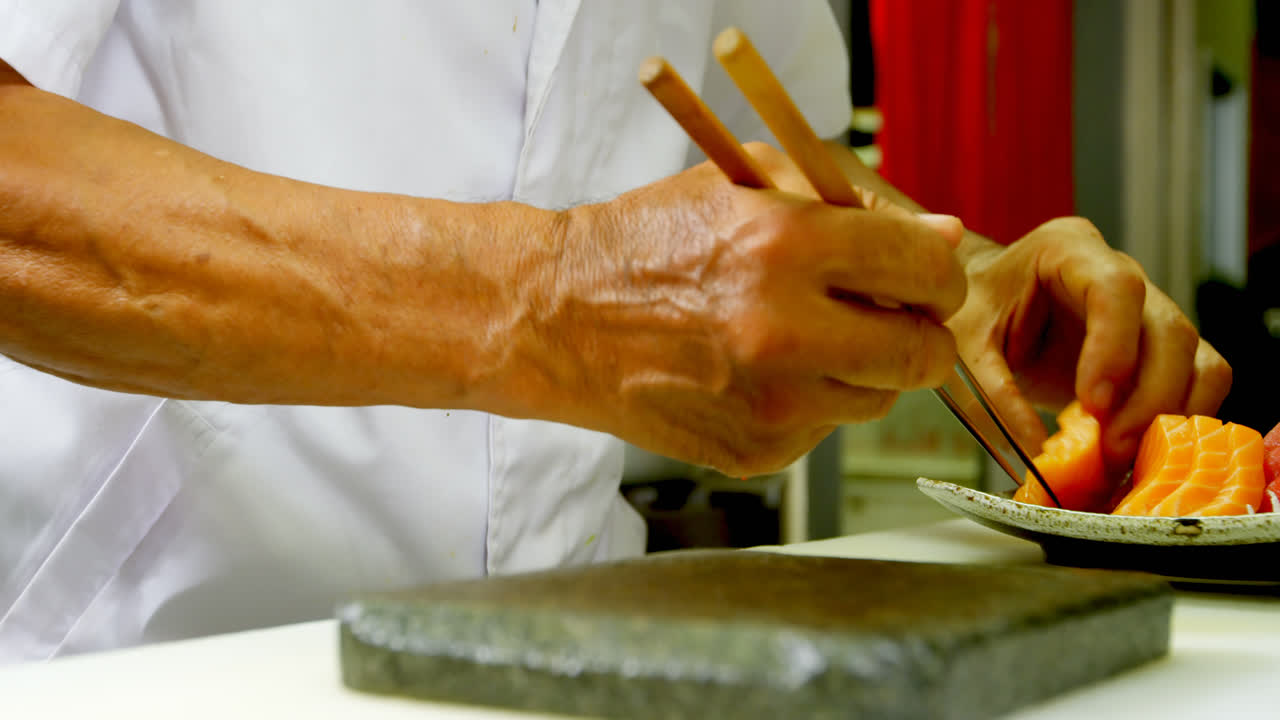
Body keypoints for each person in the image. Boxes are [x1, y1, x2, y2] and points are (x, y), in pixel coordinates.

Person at [0, 1, 1230, 662]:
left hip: (584, 655)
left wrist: (953, 284)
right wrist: (543, 307)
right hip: (133, 655)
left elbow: (769, 159)